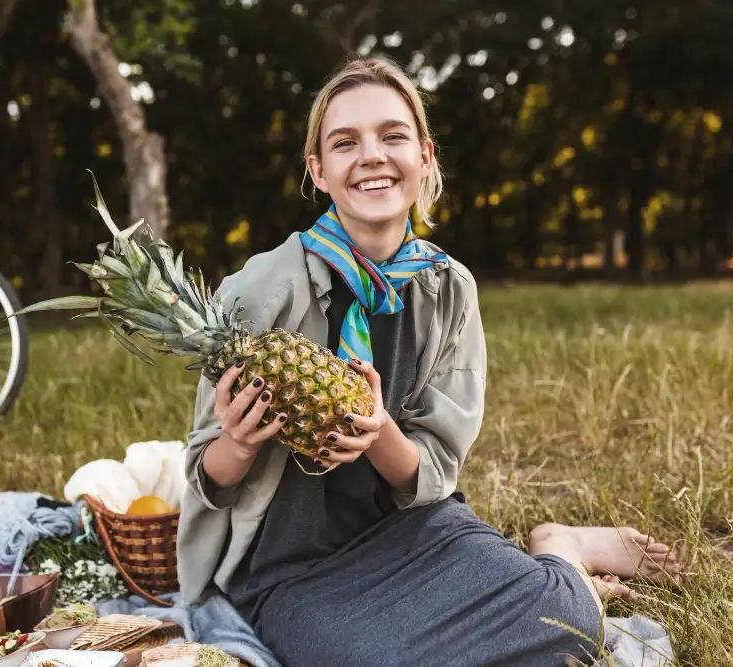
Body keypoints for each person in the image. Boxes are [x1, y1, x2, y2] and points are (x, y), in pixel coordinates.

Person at [175, 56, 681, 667]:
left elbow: (434, 470)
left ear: (425, 156)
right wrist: (240, 442)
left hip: (414, 532)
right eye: (345, 143)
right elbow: (206, 472)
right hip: (292, 571)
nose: (371, 156)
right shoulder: (254, 293)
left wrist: (378, 429)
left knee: (568, 620)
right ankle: (549, 579)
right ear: (319, 169)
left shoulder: (450, 290)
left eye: (393, 135)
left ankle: (560, 549)